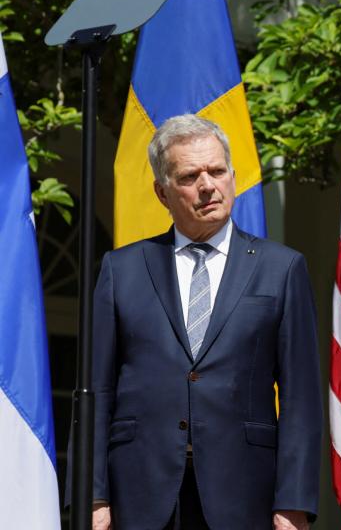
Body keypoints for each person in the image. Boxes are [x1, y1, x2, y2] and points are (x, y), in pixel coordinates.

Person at [86, 115, 321, 530]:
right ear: (162, 192)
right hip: (140, 492)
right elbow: (98, 390)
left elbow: (301, 398)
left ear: (233, 175)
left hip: (245, 492)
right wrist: (94, 496)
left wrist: (294, 502)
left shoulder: (281, 269)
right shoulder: (121, 269)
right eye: (190, 176)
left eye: (216, 171)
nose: (208, 185)